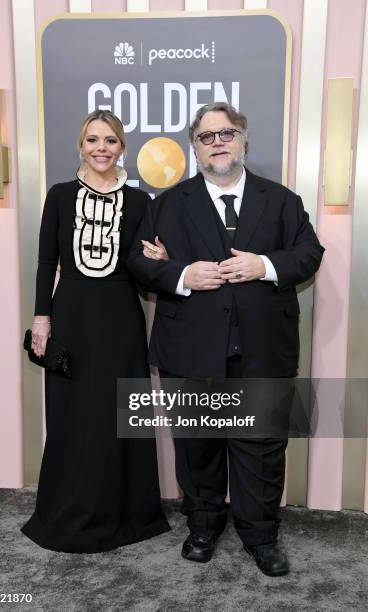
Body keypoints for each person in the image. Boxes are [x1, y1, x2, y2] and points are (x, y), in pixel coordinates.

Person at [127, 102, 324, 576]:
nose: (218, 141)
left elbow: (309, 253)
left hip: (264, 350)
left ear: (243, 140)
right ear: (194, 148)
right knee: (197, 447)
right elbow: (138, 262)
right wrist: (182, 273)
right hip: (189, 347)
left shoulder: (282, 200)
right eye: (207, 136)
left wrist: (265, 265)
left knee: (262, 449)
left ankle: (262, 536)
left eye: (227, 133)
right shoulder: (168, 204)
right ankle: (203, 526)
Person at [21, 110, 170, 553]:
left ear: (122, 146)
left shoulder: (141, 202)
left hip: (122, 319)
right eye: (92, 140)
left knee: (120, 413)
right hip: (70, 317)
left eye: (109, 140)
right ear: (80, 145)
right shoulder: (61, 196)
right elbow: (47, 263)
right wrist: (40, 319)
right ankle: (69, 508)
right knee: (73, 414)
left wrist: (159, 263)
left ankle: (127, 513)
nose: (100, 148)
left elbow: (142, 273)